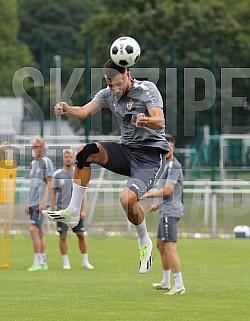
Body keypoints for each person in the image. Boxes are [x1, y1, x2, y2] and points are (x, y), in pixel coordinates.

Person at [42, 58, 170, 274]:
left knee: (127, 200)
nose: (114, 88)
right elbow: (83, 112)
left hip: (149, 157)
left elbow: (160, 120)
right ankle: (73, 211)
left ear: (128, 75)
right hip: (127, 151)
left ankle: (144, 241)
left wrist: (145, 120)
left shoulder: (147, 89)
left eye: (117, 84)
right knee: (85, 151)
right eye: (109, 84)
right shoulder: (107, 94)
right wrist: (67, 109)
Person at [140, 134, 186, 294]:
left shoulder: (174, 165)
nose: (167, 149)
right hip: (166, 209)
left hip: (171, 211)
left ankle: (179, 285)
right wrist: (158, 204)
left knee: (170, 247)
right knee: (160, 245)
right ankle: (166, 281)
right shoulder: (165, 165)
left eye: (170, 146)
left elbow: (168, 191)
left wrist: (147, 194)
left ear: (173, 148)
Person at [51, 149, 94, 270]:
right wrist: (53, 208)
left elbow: (83, 193)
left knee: (81, 235)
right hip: (62, 210)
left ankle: (85, 262)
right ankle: (66, 263)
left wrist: (83, 210)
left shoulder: (78, 172)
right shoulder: (57, 174)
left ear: (73, 158)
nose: (68, 159)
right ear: (63, 158)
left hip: (76, 211)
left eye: (70, 157)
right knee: (63, 236)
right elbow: (53, 193)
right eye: (66, 157)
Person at [25, 135, 54, 271]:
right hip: (33, 202)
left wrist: (44, 201)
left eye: (39, 146)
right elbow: (33, 184)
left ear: (43, 147)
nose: (36, 149)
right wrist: (27, 202)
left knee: (33, 230)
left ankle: (37, 261)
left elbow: (49, 183)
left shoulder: (46, 162)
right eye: (34, 147)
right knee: (40, 232)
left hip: (40, 203)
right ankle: (43, 261)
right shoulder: (33, 163)